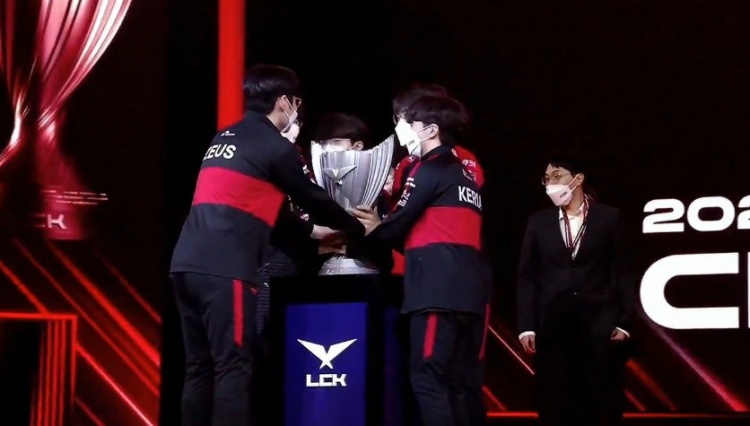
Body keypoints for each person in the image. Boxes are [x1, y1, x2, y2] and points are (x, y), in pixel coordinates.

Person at [169, 64, 364, 426]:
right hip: (225, 270)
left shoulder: (222, 138)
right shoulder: (276, 147)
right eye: (296, 103)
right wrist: (357, 227)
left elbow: (264, 207)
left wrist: (314, 233)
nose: (297, 110)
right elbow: (313, 198)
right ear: (284, 102)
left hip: (185, 265)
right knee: (233, 367)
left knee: (198, 368)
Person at [351, 95, 490, 426]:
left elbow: (396, 224)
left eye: (410, 122)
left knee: (427, 378)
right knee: (457, 385)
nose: (403, 129)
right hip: (469, 299)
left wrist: (371, 228)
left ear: (430, 130)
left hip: (435, 297)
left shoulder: (430, 169)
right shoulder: (465, 177)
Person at [516, 158, 635, 426]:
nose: (550, 184)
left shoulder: (609, 218)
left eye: (557, 176)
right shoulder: (539, 222)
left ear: (578, 179)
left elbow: (624, 273)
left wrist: (625, 323)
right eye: (547, 179)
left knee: (600, 403)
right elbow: (526, 276)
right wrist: (526, 326)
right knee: (555, 402)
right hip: (552, 327)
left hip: (598, 328)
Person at [389, 83, 485, 275]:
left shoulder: (460, 160)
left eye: (409, 115)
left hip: (443, 264)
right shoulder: (405, 163)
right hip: (402, 263)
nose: (402, 122)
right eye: (398, 115)